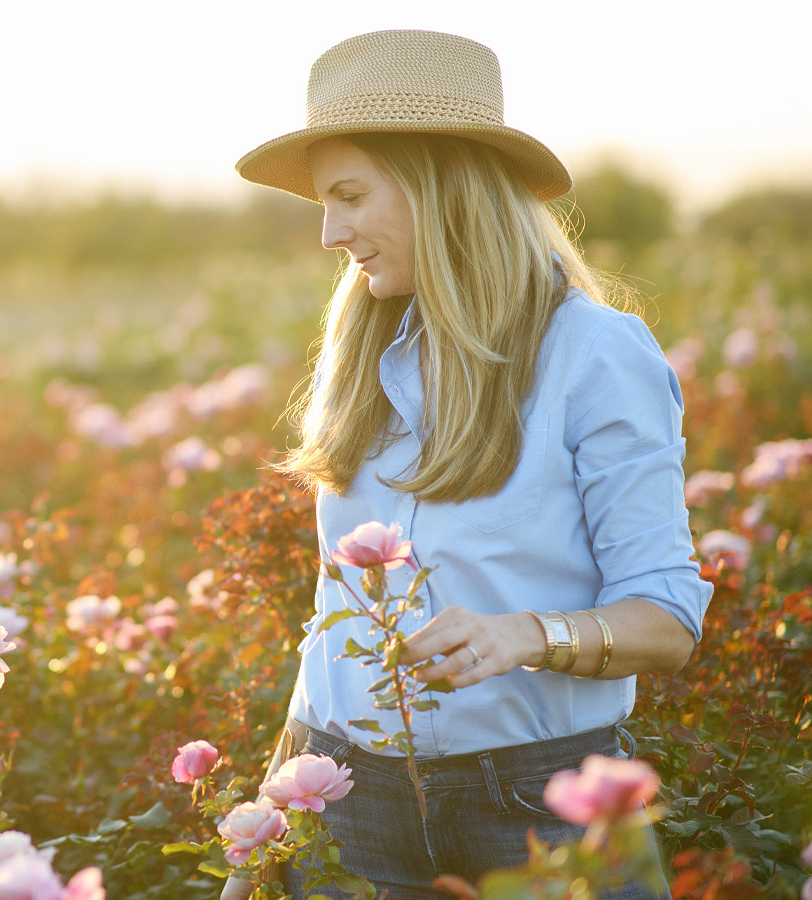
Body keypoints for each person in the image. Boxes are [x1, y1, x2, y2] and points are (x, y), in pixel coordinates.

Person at [220, 30, 711, 900]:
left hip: (536, 805)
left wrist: (526, 633)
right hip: (345, 800)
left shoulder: (593, 353)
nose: (331, 232)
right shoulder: (358, 345)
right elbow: (335, 605)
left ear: (438, 183)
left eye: (349, 195)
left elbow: (667, 620)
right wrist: (277, 801)